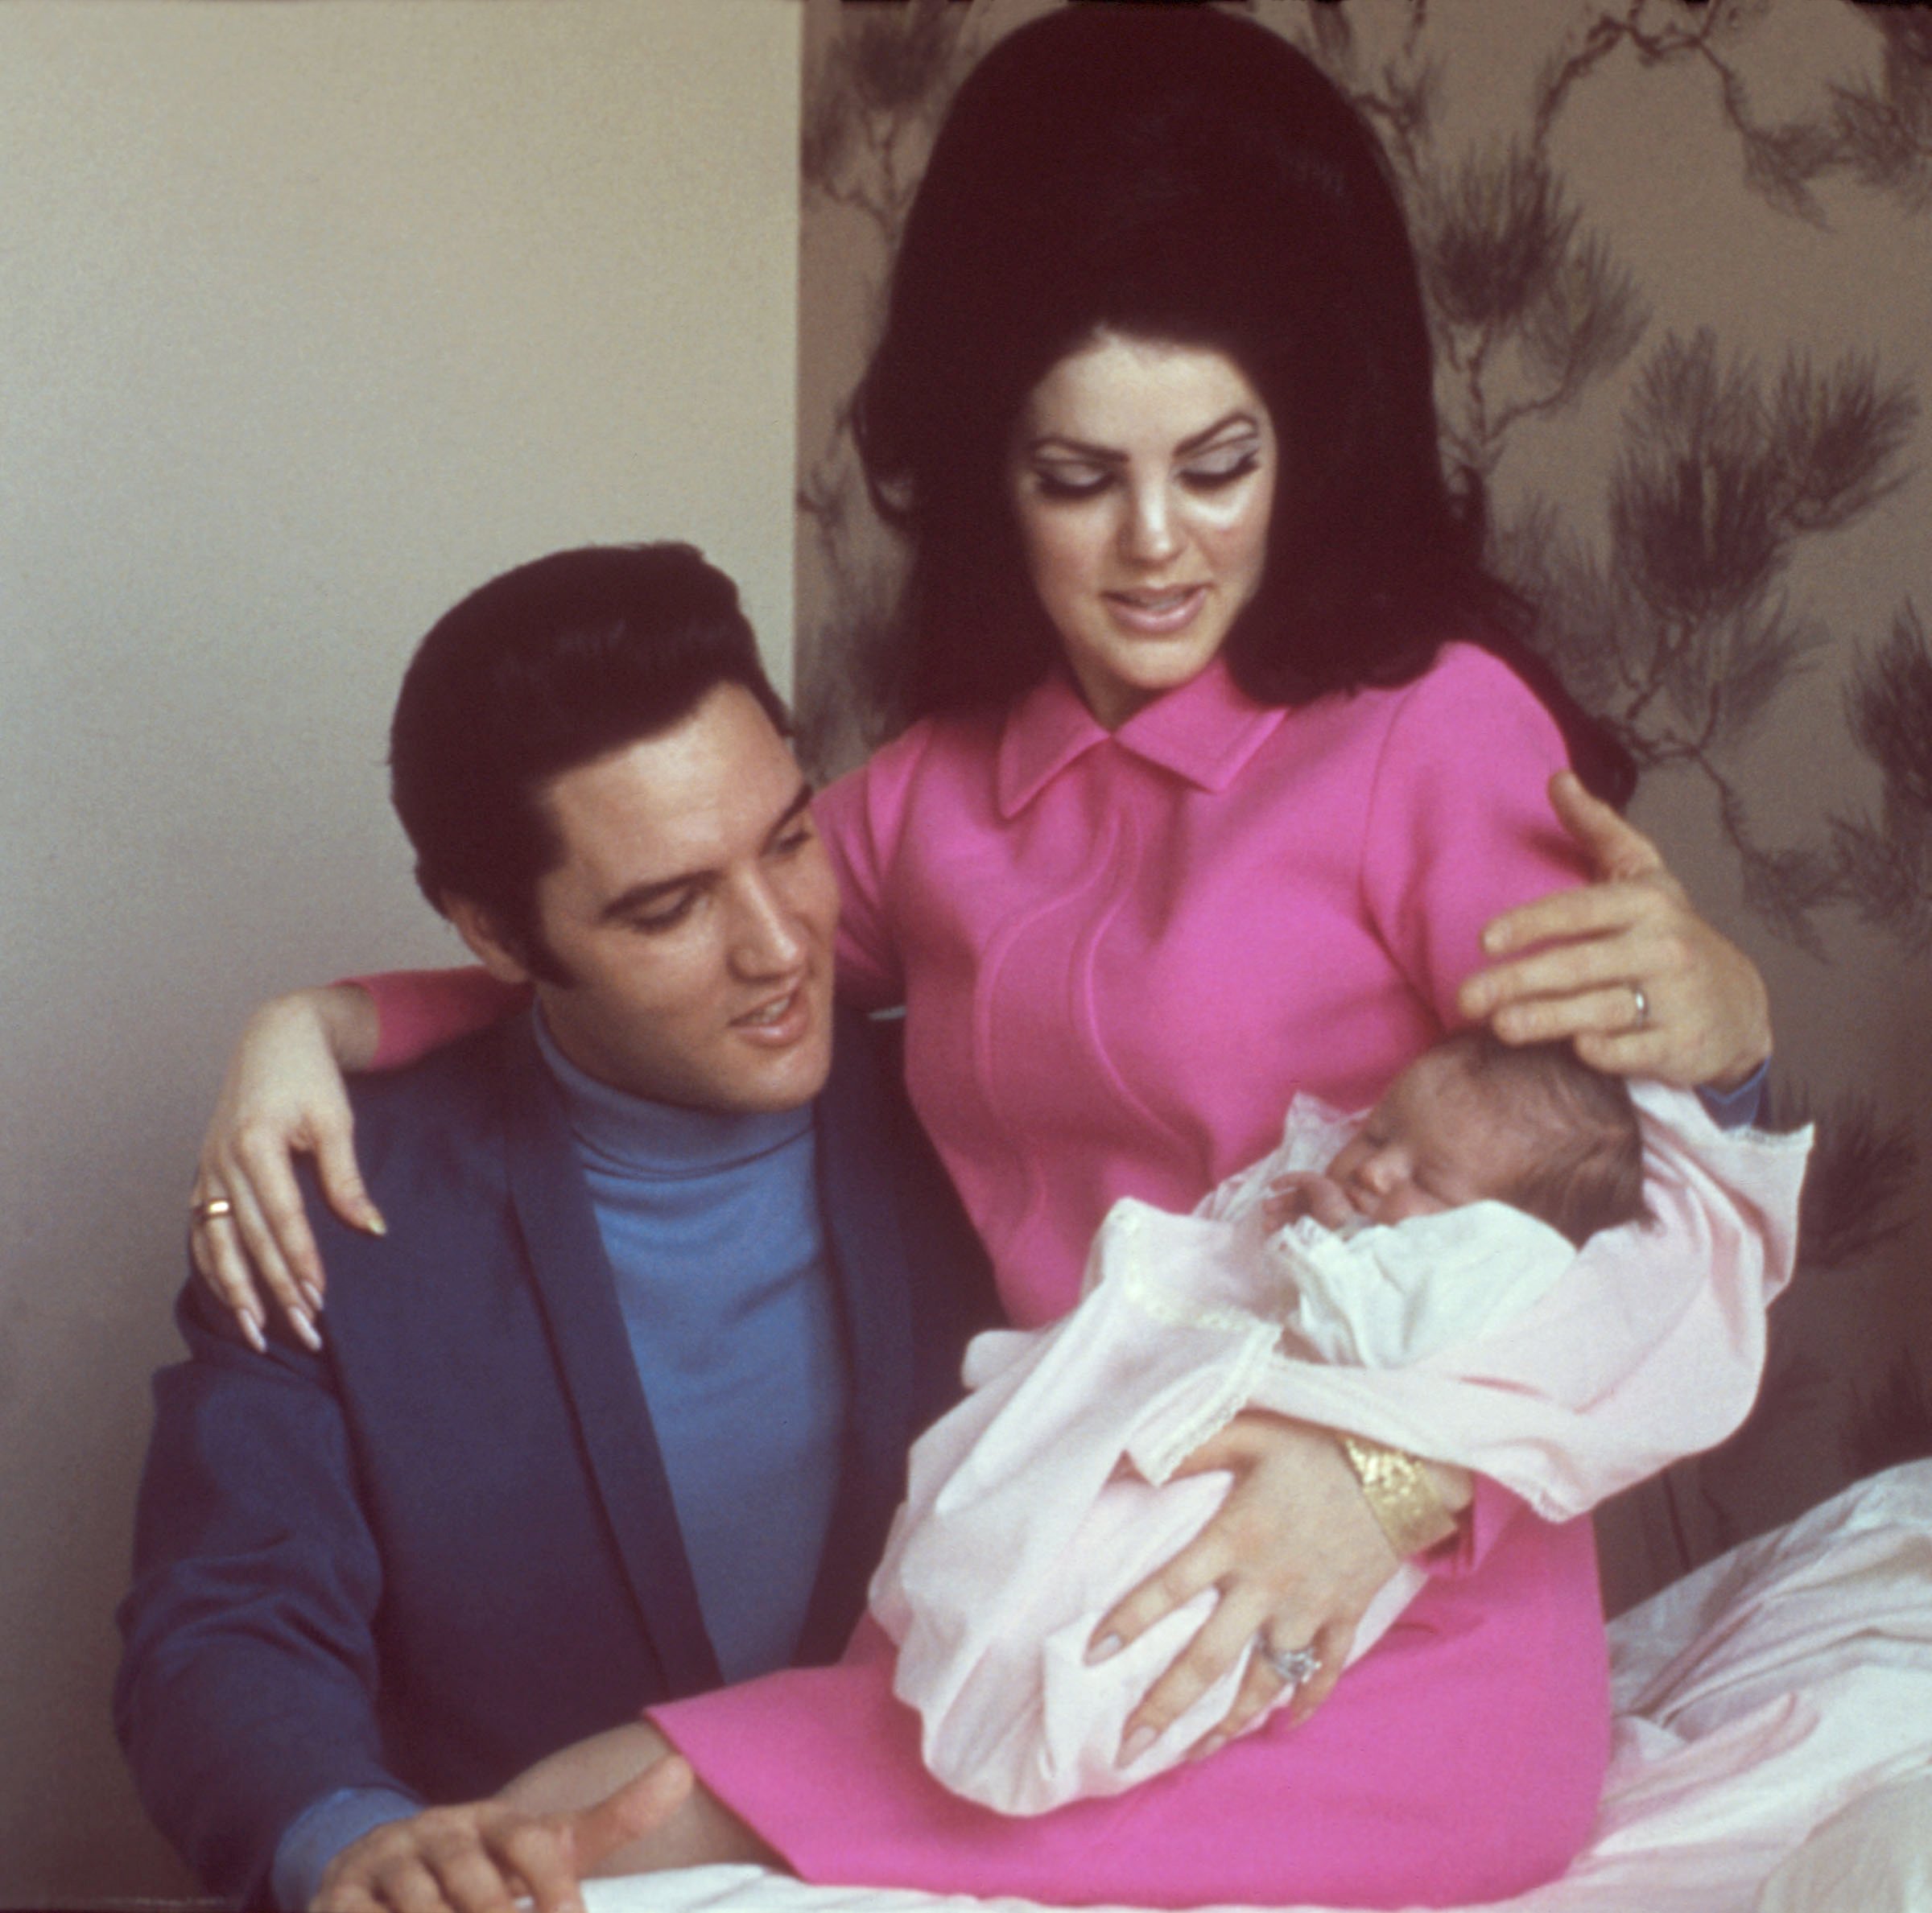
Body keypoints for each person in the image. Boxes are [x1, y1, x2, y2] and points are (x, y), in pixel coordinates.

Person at [181, 10, 1777, 1911]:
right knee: (516, 1835)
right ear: (981, 468)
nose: (1155, 547)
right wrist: (312, 1024)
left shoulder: (1431, 736)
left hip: (1362, 1642)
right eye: (1073, 476)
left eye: (1216, 462)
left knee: (597, 1871)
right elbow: (657, 951)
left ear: (1302, 439)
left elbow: (1659, 1224)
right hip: (1029, 1609)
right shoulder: (934, 800)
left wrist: (1389, 1489)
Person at [113, 544, 996, 1910]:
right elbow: (225, 1618)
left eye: (790, 841)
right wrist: (348, 1837)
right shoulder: (336, 1200)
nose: (778, 946)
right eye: (670, 907)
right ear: (497, 934)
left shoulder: (988, 1113)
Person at [875, 1034, 1807, 1816]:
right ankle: (984, 1631)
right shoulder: (1399, 1196)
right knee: (1054, 1499)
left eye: (1429, 1183)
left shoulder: (1510, 1267)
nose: (1373, 1166)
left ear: (1505, 1232)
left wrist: (1321, 1240)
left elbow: (1387, 1333)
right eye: (1381, 1131)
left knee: (1163, 1589)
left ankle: (1056, 1707)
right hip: (1249, 1417)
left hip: (1341, 1467)